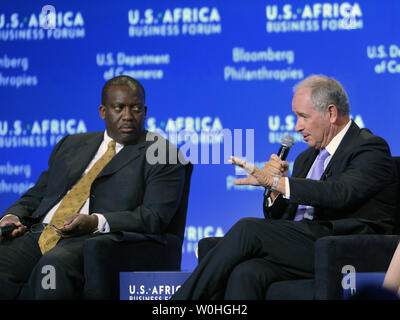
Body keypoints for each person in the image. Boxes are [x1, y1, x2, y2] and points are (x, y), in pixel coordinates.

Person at [172, 74, 397, 300]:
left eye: (303, 117)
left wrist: (276, 182)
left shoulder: (369, 148)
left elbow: (341, 194)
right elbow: (279, 221)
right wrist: (274, 191)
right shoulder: (306, 158)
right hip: (305, 245)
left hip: (342, 247)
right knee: (247, 273)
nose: (297, 127)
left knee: (248, 229)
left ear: (331, 113)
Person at [0, 75, 186, 299]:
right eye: (119, 108)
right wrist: (13, 214)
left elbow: (154, 216)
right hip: (40, 233)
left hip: (92, 241)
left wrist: (96, 222)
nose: (127, 116)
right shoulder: (71, 144)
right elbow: (40, 193)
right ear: (103, 111)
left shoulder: (162, 154)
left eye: (135, 108)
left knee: (53, 266)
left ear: (145, 111)